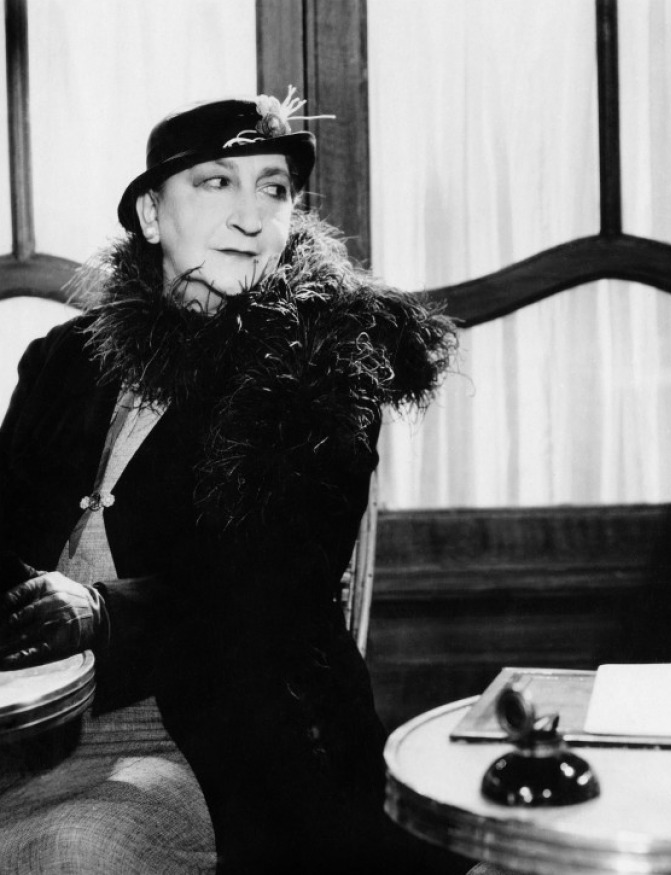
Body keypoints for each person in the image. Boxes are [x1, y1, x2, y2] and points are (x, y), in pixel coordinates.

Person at [0, 92, 463, 873]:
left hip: (211, 742)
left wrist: (102, 613)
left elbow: (269, 591)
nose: (251, 216)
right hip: (27, 723)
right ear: (151, 215)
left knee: (70, 853)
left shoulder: (318, 369)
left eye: (273, 189)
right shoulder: (64, 359)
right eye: (216, 183)